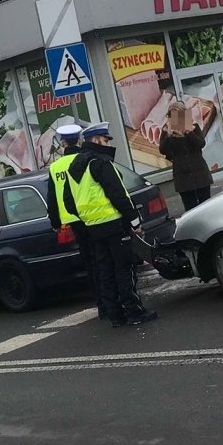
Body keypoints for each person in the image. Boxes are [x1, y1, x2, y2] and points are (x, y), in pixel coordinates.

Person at [62, 124, 157, 327]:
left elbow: (69, 202)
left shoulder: (74, 166)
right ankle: (133, 312)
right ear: (96, 141)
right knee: (125, 268)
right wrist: (134, 221)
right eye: (105, 140)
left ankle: (115, 315)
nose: (107, 144)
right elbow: (118, 195)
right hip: (114, 224)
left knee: (105, 271)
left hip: (93, 228)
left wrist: (88, 217)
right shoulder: (100, 162)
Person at [45, 123, 107, 319]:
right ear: (79, 140)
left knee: (90, 263)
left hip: (73, 222)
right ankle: (112, 300)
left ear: (62, 142)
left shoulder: (55, 167)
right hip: (94, 215)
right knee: (103, 260)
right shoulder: (87, 159)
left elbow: (53, 198)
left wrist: (55, 223)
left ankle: (101, 304)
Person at [157, 100, 213, 211]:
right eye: (174, 116)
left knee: (206, 206)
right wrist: (169, 135)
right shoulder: (167, 130)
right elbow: (163, 150)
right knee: (190, 208)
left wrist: (189, 132)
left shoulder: (193, 126)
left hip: (200, 174)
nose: (178, 119)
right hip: (183, 178)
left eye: (180, 115)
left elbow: (201, 144)